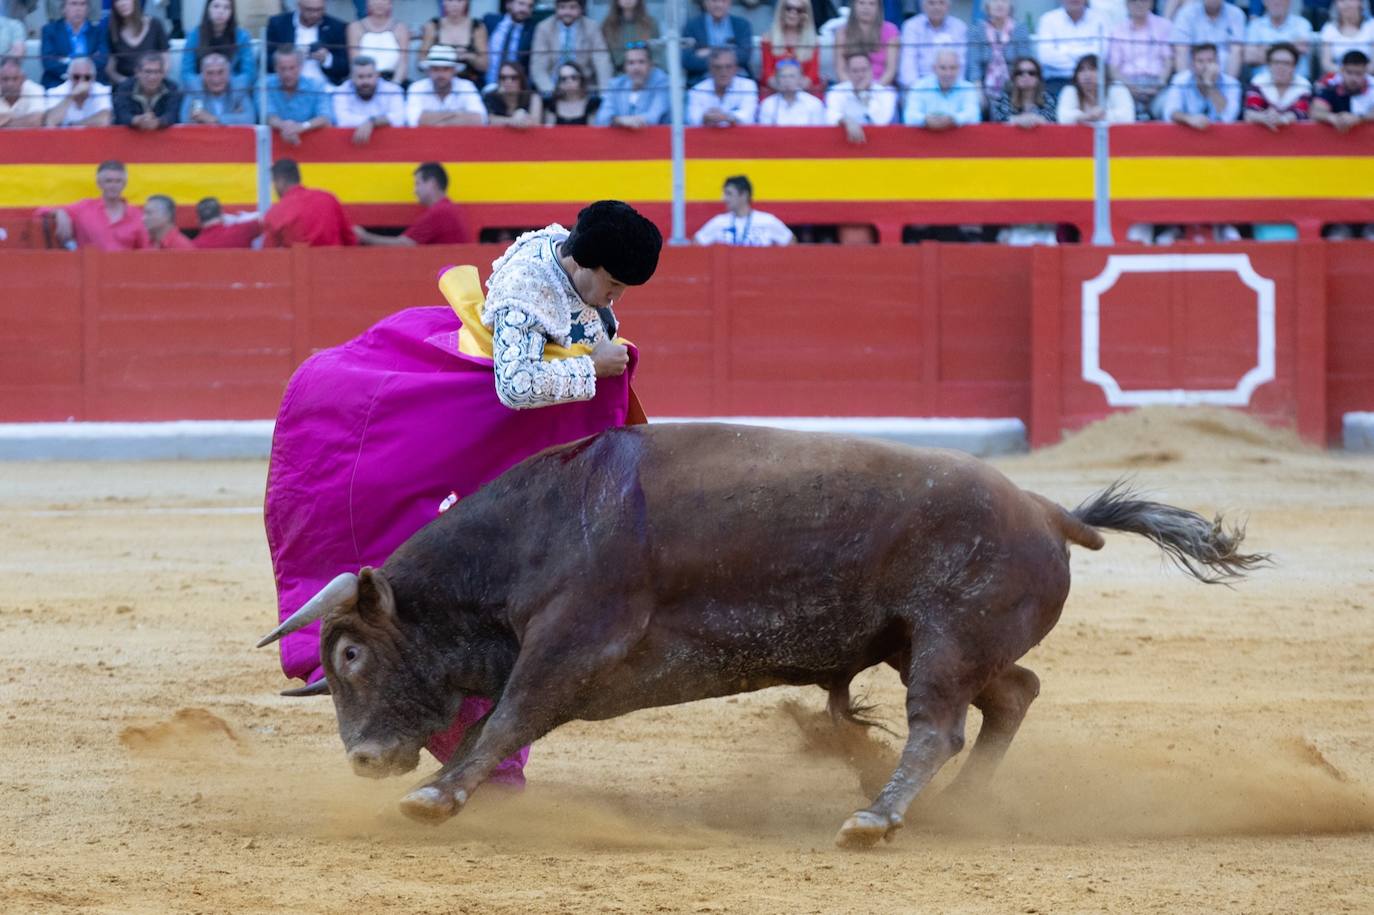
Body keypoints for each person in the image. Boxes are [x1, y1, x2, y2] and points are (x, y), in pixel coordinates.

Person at [263, 200, 662, 788]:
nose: (616, 298)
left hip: (501, 451)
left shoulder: (571, 252)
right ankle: (469, 753)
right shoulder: (526, 296)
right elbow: (517, 386)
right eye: (614, 284)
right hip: (475, 441)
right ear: (583, 262)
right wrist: (592, 368)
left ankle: (478, 752)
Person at [355, 161, 471, 245]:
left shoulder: (440, 212)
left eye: (417, 184)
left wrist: (364, 236)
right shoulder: (450, 208)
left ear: (432, 183)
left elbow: (405, 244)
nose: (415, 190)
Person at [41, 159, 148, 250]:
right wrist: (60, 212)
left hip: (125, 267)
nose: (113, 185)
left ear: (124, 184)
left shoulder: (137, 215)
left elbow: (146, 251)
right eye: (109, 181)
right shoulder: (84, 208)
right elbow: (40, 211)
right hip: (89, 267)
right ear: (99, 183)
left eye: (118, 181)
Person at [262, 158, 357, 247]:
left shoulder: (274, 213)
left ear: (281, 181)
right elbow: (350, 240)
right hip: (334, 259)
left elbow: (269, 254)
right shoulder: (328, 199)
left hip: (298, 259)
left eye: (274, 182)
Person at [530, 0, 613, 95]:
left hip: (584, 87)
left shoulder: (592, 27)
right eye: (562, 7)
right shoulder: (544, 28)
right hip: (553, 86)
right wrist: (551, 92)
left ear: (581, 9)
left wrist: (604, 93)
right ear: (556, 8)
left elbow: (602, 62)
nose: (567, 12)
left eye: (572, 7)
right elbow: (538, 67)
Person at [1108, 0, 1173, 118]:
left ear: (1151, 3)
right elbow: (1113, 68)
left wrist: (1159, 84)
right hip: (1127, 86)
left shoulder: (1164, 26)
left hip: (1157, 85)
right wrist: (1129, 86)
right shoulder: (1117, 30)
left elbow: (1168, 61)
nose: (1139, 4)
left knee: (1167, 108)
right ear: (1126, 4)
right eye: (1134, 1)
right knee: (1121, 109)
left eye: (1143, 0)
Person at [265, 0, 349, 86]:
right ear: (299, 6)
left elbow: (345, 68)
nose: (315, 14)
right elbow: (264, 60)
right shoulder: (278, 24)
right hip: (285, 85)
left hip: (325, 86)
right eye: (309, 10)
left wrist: (327, 59)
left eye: (319, 10)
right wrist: (288, 58)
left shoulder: (336, 27)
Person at [693, 175, 794, 246]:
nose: (724, 198)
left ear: (744, 195)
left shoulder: (767, 221)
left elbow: (791, 242)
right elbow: (696, 244)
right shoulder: (719, 222)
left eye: (729, 194)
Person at [1162, 42, 1242, 128]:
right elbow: (1170, 112)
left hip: (1221, 134)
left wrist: (1210, 85)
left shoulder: (1232, 83)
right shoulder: (1180, 80)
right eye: (1200, 61)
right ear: (1192, 65)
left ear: (1218, 63)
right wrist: (1189, 119)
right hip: (1188, 130)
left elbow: (1229, 117)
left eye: (1210, 61)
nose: (1205, 66)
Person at [965, 0, 1032, 102]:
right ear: (987, 6)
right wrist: (979, 94)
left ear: (1011, 6)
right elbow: (974, 65)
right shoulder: (977, 29)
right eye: (994, 1)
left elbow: (1025, 63)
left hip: (1015, 88)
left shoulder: (1020, 28)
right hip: (983, 88)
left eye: (1004, 1)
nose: (999, 4)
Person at [1034, 0, 1108, 92]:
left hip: (1093, 81)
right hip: (1057, 80)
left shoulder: (1100, 19)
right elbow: (1045, 56)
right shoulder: (1048, 19)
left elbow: (1101, 54)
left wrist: (1064, 50)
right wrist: (1084, 55)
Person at [825, 50, 898, 142]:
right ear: (848, 72)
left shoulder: (885, 93)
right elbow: (830, 118)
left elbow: (881, 121)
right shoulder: (836, 91)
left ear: (871, 70)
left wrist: (863, 95)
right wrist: (847, 120)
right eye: (855, 71)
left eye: (864, 70)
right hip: (843, 143)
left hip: (878, 143)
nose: (860, 75)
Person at [405, 43, 487, 126]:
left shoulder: (466, 86)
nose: (440, 74)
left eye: (446, 69)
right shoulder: (417, 87)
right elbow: (414, 120)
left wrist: (434, 120)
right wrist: (458, 115)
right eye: (435, 69)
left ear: (454, 71)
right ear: (428, 71)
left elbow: (480, 119)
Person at [181, 0, 255, 90]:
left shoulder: (242, 36)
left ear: (232, 12)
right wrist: (205, 85)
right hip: (200, 89)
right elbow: (186, 73)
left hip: (234, 89)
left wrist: (226, 85)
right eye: (216, 6)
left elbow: (249, 73)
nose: (221, 11)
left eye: (226, 7)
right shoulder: (194, 35)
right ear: (208, 9)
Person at [331, 55, 404, 143]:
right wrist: (374, 122)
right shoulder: (341, 91)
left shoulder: (393, 90)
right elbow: (343, 121)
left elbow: (399, 119)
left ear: (377, 76)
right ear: (352, 77)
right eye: (360, 77)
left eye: (369, 76)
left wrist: (372, 122)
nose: (365, 82)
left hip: (388, 143)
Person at [594, 40, 669, 127]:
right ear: (625, 67)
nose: (636, 68)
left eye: (641, 62)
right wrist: (619, 120)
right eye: (631, 63)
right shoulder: (616, 84)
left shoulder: (663, 82)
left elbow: (653, 117)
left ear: (651, 65)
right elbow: (601, 118)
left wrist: (622, 121)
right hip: (621, 135)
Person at [266, 47, 332, 144]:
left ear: (301, 67)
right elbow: (268, 116)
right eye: (282, 68)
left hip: (311, 145)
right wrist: (285, 126)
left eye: (292, 68)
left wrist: (302, 127)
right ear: (275, 68)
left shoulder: (316, 86)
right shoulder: (265, 85)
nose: (287, 74)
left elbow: (325, 117)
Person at [904, 47, 980, 128]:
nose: (948, 73)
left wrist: (953, 119)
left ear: (959, 68)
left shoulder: (968, 88)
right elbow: (909, 117)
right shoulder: (919, 86)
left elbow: (974, 116)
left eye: (953, 68)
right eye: (943, 68)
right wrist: (925, 120)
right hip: (927, 135)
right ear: (934, 68)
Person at [899, 0, 968, 90]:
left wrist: (953, 89)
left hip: (951, 86)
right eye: (931, 3)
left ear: (948, 6)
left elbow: (960, 64)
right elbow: (908, 64)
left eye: (941, 3)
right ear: (923, 6)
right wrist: (916, 90)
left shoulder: (959, 27)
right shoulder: (911, 26)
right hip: (918, 86)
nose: (937, 7)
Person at [39, 0, 107, 89]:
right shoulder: (49, 31)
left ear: (88, 9)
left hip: (91, 82)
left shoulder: (98, 32)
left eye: (82, 4)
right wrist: (75, 73)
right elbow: (49, 62)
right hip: (58, 82)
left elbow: (102, 60)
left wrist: (67, 61)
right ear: (63, 9)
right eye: (73, 4)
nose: (78, 9)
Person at [1243, 41, 1311, 128]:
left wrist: (1282, 119)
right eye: (1276, 62)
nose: (1280, 67)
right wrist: (1265, 117)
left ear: (1294, 66)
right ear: (1269, 65)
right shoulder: (1258, 82)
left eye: (1286, 63)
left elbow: (1301, 112)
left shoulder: (1303, 85)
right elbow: (1250, 112)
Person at [1172, 0, 1245, 81]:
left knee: (1236, 51)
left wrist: (1229, 83)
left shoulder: (1236, 14)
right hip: (1194, 68)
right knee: (1182, 51)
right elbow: (1181, 49)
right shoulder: (1186, 13)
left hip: (1223, 71)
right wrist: (1184, 82)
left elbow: (1236, 50)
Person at [420, 0, 487, 87]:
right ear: (443, 2)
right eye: (450, 0)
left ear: (466, 2)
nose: (454, 4)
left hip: (470, 83)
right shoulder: (433, 25)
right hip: (437, 83)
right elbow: (421, 61)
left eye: (459, 1)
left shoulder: (477, 26)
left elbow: (484, 66)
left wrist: (468, 56)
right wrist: (440, 58)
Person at [682, 0, 752, 81]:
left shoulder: (742, 25)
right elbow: (688, 61)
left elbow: (744, 56)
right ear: (705, 2)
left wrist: (710, 51)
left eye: (723, 1)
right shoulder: (692, 26)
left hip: (738, 78)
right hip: (703, 79)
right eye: (714, 1)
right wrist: (730, 52)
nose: (719, 5)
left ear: (730, 2)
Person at [686, 45, 758, 125]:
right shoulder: (697, 90)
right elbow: (693, 119)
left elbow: (748, 117)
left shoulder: (748, 86)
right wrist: (704, 117)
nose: (723, 72)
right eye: (718, 67)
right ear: (710, 69)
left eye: (728, 67)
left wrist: (727, 117)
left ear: (736, 68)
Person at [760, 0, 820, 95]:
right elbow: (767, 75)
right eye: (788, 8)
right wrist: (785, 91)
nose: (793, 13)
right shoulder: (768, 39)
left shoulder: (813, 41)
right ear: (781, 10)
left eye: (799, 10)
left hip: (804, 93)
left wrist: (793, 92)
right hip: (775, 92)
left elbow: (811, 76)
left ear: (805, 14)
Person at [1056, 52, 1135, 123]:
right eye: (1081, 70)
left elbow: (1127, 117)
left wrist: (1103, 115)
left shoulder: (1116, 88)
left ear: (1104, 73)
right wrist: (1085, 117)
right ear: (1076, 75)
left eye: (1093, 69)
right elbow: (1062, 117)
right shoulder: (1070, 90)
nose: (1087, 75)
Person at [179, 51, 256, 124]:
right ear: (202, 75)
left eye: (220, 72)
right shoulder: (196, 88)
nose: (216, 79)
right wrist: (233, 117)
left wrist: (214, 119)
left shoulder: (238, 86)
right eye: (210, 73)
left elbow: (249, 118)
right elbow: (188, 119)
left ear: (229, 73)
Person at [104, 0, 168, 84]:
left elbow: (166, 62)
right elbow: (110, 70)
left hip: (154, 84)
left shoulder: (155, 25)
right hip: (125, 87)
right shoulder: (113, 32)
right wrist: (129, 83)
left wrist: (151, 82)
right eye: (117, 1)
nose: (122, 3)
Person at [346, 0, 410, 84]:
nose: (379, 3)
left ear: (390, 4)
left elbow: (403, 62)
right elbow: (354, 61)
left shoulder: (401, 28)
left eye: (383, 1)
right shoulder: (355, 27)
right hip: (363, 81)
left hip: (392, 79)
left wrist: (395, 84)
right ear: (367, 3)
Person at [112, 51, 180, 129]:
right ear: (137, 72)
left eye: (157, 72)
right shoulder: (124, 87)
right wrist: (137, 120)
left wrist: (158, 122)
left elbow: (173, 115)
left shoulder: (172, 88)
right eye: (148, 71)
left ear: (163, 73)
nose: (152, 77)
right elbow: (121, 114)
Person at [836, 0, 897, 86]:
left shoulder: (891, 31)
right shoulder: (842, 32)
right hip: (849, 87)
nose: (866, 8)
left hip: (881, 87)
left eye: (872, 4)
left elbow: (890, 70)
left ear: (878, 7)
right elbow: (841, 70)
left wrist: (876, 89)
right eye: (861, 3)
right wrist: (853, 89)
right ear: (854, 5)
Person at [1244, 0, 1313, 74]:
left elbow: (1303, 48)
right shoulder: (1255, 25)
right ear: (1264, 2)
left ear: (1289, 1)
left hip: (1297, 79)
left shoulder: (1302, 23)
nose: (1276, 2)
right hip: (1262, 79)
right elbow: (1249, 57)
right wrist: (1291, 48)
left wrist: (1264, 49)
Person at [1311, 48, 1373, 130]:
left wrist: (1359, 118)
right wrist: (1332, 117)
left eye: (1358, 73)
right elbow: (1315, 111)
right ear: (1342, 70)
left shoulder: (1372, 86)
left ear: (1366, 71)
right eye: (1349, 72)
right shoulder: (1330, 84)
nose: (1353, 78)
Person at [988, 55, 1056, 126]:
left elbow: (1051, 122)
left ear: (1038, 78)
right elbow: (1000, 123)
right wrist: (1022, 120)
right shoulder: (1003, 99)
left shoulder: (1048, 99)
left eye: (1031, 73)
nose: (1026, 76)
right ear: (1014, 78)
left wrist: (1029, 119)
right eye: (1020, 73)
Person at [43, 55, 112, 125]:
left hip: (91, 133)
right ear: (69, 76)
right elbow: (50, 121)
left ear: (93, 78)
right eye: (76, 77)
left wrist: (75, 125)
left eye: (87, 77)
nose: (81, 81)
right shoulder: (55, 92)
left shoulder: (103, 91)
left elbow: (105, 119)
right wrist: (71, 96)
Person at [483, 0, 537, 90]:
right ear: (508, 4)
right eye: (521, 3)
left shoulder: (532, 31)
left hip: (512, 88)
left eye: (530, 6)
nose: (525, 9)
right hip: (483, 83)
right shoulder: (489, 21)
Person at [757, 57, 826, 123]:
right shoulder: (768, 104)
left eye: (792, 76)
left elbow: (818, 129)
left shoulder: (814, 103)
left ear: (800, 79)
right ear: (777, 79)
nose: (787, 80)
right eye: (783, 76)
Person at [601, 0, 659, 72]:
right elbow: (604, 58)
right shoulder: (608, 25)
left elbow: (657, 54)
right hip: (618, 74)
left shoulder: (650, 23)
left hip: (646, 74)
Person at [1320, 0, 1374, 76]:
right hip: (1338, 78)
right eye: (1342, 1)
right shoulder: (1329, 29)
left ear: (1361, 2)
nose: (1347, 4)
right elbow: (1326, 64)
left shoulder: (1371, 26)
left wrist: (1358, 74)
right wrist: (1348, 74)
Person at [483, 59, 542, 127]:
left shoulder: (533, 97)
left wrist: (522, 114)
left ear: (521, 80)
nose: (508, 82)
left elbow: (535, 122)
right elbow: (489, 120)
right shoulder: (490, 96)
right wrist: (513, 120)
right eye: (503, 78)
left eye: (514, 78)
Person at [191, 196, 262, 248]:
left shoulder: (194, 245)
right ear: (222, 214)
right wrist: (237, 218)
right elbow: (264, 221)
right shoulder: (242, 231)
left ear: (198, 221)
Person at [0, 54, 44, 126]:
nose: (10, 84)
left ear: (23, 79)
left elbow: (35, 121)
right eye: (5, 79)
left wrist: (3, 122)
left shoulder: (35, 89)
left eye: (15, 79)